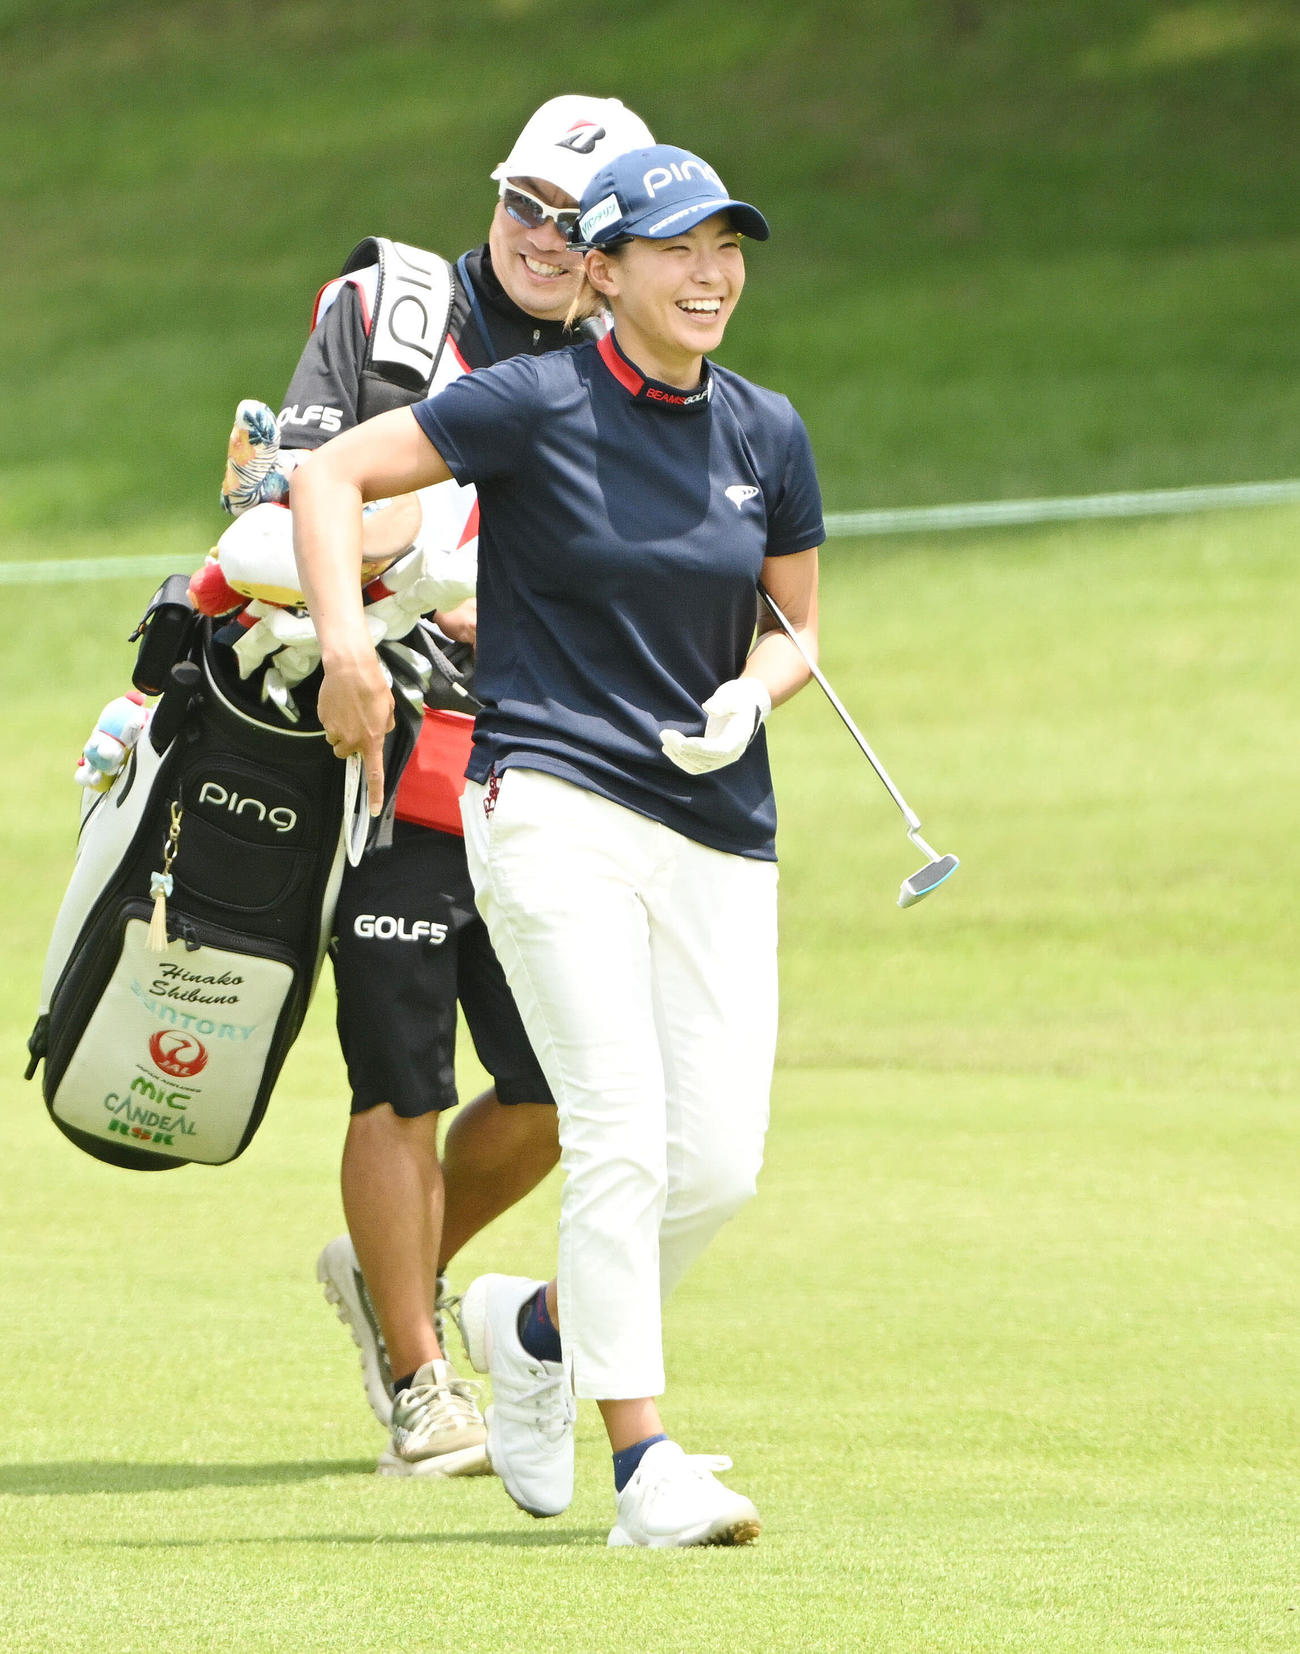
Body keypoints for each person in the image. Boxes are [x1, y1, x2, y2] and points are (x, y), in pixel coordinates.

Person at [290, 145, 823, 1547]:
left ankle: (532, 1329)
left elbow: (798, 626)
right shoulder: (532, 400)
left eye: (728, 249)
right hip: (550, 801)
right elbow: (334, 476)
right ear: (606, 273)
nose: (710, 275)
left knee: (718, 1164)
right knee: (618, 1128)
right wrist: (347, 639)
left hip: (716, 815)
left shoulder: (768, 431)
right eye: (676, 250)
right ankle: (644, 1465)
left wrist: (750, 692)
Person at [241, 95, 654, 1479]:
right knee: (401, 1075)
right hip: (395, 750)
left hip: (553, 765)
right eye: (524, 202)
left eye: (575, 218)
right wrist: (390, 594)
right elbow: (280, 499)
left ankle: (390, 1284)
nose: (542, 236)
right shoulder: (394, 311)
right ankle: (425, 1379)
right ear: (498, 200)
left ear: (616, 246)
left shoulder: (635, 360)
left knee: (549, 1089)